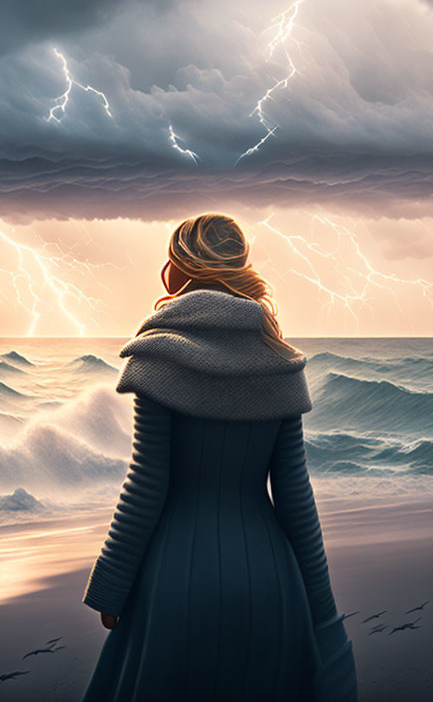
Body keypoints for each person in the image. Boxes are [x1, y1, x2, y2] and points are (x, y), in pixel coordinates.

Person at [80, 214, 358, 701]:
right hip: (271, 576)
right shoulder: (280, 360)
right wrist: (321, 607)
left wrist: (111, 586)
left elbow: (147, 483)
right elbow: (294, 496)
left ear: (176, 270)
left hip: (175, 575)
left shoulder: (159, 355)